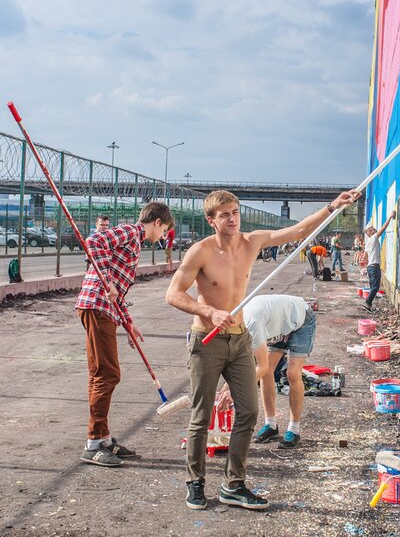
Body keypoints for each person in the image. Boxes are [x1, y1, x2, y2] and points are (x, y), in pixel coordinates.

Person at [165, 188, 358, 511]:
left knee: (249, 411)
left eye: (235, 212)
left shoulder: (251, 242)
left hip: (240, 339)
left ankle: (233, 484)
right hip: (207, 341)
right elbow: (173, 294)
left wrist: (332, 206)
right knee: (201, 416)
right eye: (224, 214)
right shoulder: (200, 251)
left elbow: (296, 231)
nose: (232, 218)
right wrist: (209, 312)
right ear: (211, 220)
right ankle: (195, 483)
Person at [77, 202, 173, 468]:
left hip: (102, 307)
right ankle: (94, 442)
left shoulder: (136, 241)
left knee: (100, 373)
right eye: (164, 230)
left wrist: (128, 323)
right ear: (156, 223)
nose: (163, 236)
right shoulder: (132, 232)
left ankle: (103, 438)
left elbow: (118, 292)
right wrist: (106, 278)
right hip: (97, 305)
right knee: (108, 374)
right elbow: (94, 241)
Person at [214, 294, 315, 450]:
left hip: (301, 318)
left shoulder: (252, 323)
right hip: (277, 324)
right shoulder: (235, 328)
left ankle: (294, 429)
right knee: (267, 373)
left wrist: (235, 391)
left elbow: (262, 366)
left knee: (292, 373)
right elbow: (243, 365)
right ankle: (271, 425)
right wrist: (225, 390)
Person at [363, 211, 395, 313]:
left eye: (373, 229)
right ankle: (367, 303)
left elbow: (365, 257)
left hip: (370, 267)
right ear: (368, 233)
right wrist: (389, 217)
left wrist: (364, 266)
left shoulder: (368, 242)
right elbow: (383, 228)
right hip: (374, 267)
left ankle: (369, 305)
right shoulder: (373, 238)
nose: (373, 230)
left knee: (373, 287)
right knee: (375, 287)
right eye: (371, 230)